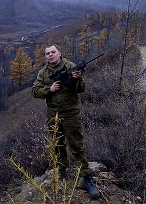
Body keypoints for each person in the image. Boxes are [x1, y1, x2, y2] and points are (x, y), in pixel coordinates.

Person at [31, 44, 100, 200]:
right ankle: (62, 171)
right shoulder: (43, 73)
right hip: (53, 113)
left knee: (76, 144)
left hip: (70, 112)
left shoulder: (71, 67)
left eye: (53, 52)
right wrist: (50, 89)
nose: (50, 55)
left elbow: (81, 89)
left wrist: (77, 78)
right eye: (47, 53)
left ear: (59, 53)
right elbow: (34, 91)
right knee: (57, 144)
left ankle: (86, 177)